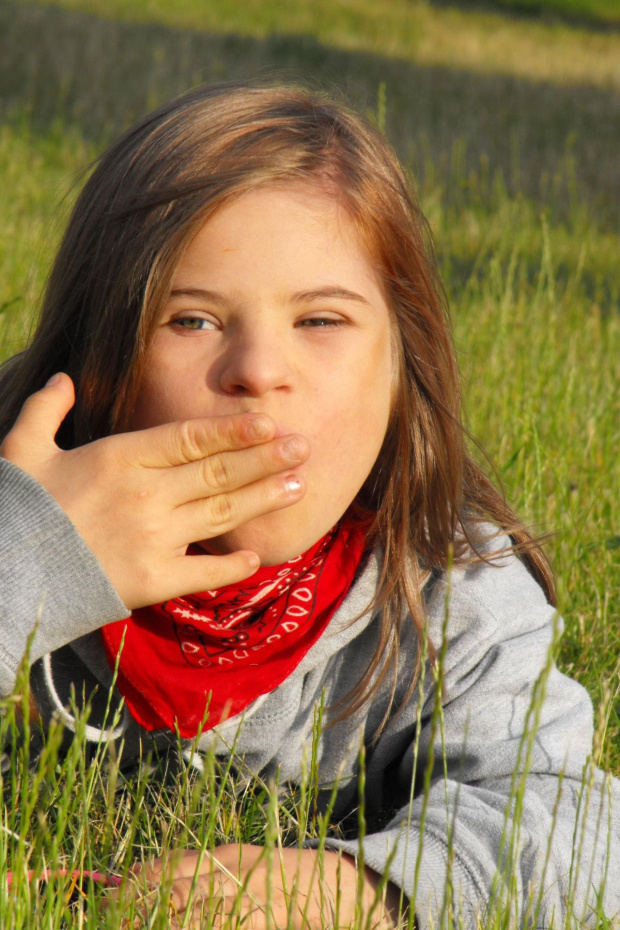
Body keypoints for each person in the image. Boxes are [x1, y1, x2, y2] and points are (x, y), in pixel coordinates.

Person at [0, 82, 617, 929]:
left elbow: (581, 830)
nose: (259, 369)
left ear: (403, 372)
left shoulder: (446, 592)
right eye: (191, 321)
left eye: (321, 320)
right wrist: (33, 559)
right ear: (95, 359)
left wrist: (361, 890)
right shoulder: (15, 519)